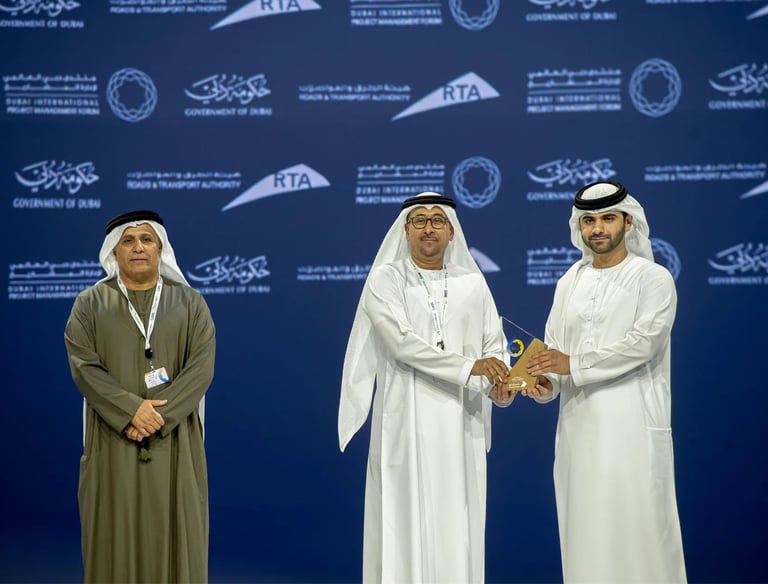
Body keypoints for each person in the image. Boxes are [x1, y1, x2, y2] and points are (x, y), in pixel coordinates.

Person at [338, 191, 514, 583]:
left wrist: (498, 387)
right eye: (419, 220)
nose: (428, 228)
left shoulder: (473, 283)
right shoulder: (385, 279)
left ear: (452, 231)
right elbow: (402, 344)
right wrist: (471, 367)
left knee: (457, 525)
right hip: (405, 421)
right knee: (404, 523)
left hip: (461, 424)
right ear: (406, 231)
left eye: (437, 220)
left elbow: (494, 346)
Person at [525, 181, 686, 583]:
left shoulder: (653, 278)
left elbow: (644, 344)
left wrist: (573, 364)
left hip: (632, 430)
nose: (597, 229)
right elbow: (555, 350)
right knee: (585, 541)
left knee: (640, 540)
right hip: (578, 433)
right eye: (589, 221)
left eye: (608, 219)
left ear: (628, 222)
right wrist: (546, 384)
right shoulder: (569, 281)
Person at [64, 210, 216, 583]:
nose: (137, 248)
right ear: (113, 251)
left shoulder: (191, 303)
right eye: (127, 241)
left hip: (176, 443)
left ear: (160, 248)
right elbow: (84, 368)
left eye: (147, 239)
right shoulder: (89, 304)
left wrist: (157, 417)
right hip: (112, 443)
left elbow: (201, 368)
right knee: (112, 539)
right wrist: (131, 410)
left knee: (178, 539)